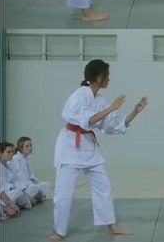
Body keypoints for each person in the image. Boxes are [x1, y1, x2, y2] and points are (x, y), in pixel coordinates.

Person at [49, 59, 148, 242]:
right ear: (99, 76)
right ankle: (58, 230)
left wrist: (135, 112)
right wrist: (112, 107)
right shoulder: (79, 95)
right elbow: (88, 120)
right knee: (64, 193)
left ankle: (110, 225)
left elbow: (113, 125)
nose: (109, 79)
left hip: (87, 146)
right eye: (107, 75)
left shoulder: (100, 100)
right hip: (69, 147)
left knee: (103, 186)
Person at [11, 136, 51, 203]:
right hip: (23, 186)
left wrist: (36, 183)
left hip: (29, 184)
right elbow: (21, 178)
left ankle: (33, 197)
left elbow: (31, 176)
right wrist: (31, 185)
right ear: (21, 147)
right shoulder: (17, 159)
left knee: (47, 184)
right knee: (33, 188)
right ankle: (30, 198)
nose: (30, 148)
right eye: (27, 146)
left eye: (31, 145)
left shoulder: (26, 159)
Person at [0, 142, 39, 210]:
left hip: (10, 191)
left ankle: (24, 202)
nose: (11, 154)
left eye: (12, 152)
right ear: (0, 154)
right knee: (18, 193)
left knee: (25, 190)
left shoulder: (9, 165)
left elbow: (16, 181)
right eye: (8, 152)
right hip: (3, 195)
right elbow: (0, 190)